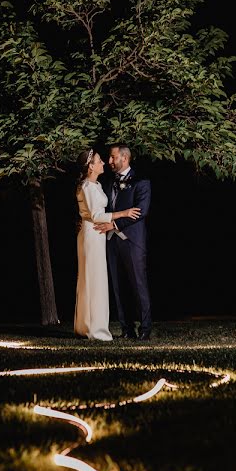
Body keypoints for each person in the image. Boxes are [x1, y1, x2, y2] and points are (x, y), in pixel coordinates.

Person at [74, 148, 141, 340]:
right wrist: (124, 213)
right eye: (99, 160)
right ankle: (95, 330)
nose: (103, 163)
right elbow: (95, 216)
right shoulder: (87, 186)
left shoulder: (94, 185)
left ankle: (87, 325)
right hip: (92, 234)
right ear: (90, 167)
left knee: (94, 278)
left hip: (95, 235)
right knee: (94, 280)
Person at [93, 144, 153, 340]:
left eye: (112, 157)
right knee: (118, 288)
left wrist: (114, 224)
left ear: (124, 158)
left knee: (138, 285)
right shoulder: (108, 182)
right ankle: (126, 329)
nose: (110, 161)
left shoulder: (141, 182)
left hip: (132, 242)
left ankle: (145, 329)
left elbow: (140, 212)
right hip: (111, 243)